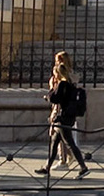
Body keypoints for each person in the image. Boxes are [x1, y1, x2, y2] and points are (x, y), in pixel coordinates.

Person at [35, 50, 88, 178]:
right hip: (66, 117)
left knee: (69, 143)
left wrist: (47, 96)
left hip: (63, 118)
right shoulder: (69, 83)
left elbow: (56, 98)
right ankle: (47, 167)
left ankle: (83, 167)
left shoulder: (62, 84)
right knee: (54, 142)